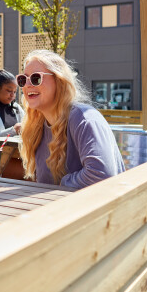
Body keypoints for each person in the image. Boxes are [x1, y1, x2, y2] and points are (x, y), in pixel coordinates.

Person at [19, 50, 125, 189]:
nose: (27, 85)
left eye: (35, 78)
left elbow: (101, 174)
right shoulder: (36, 126)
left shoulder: (84, 118)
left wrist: (62, 184)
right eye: (23, 79)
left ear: (59, 81)